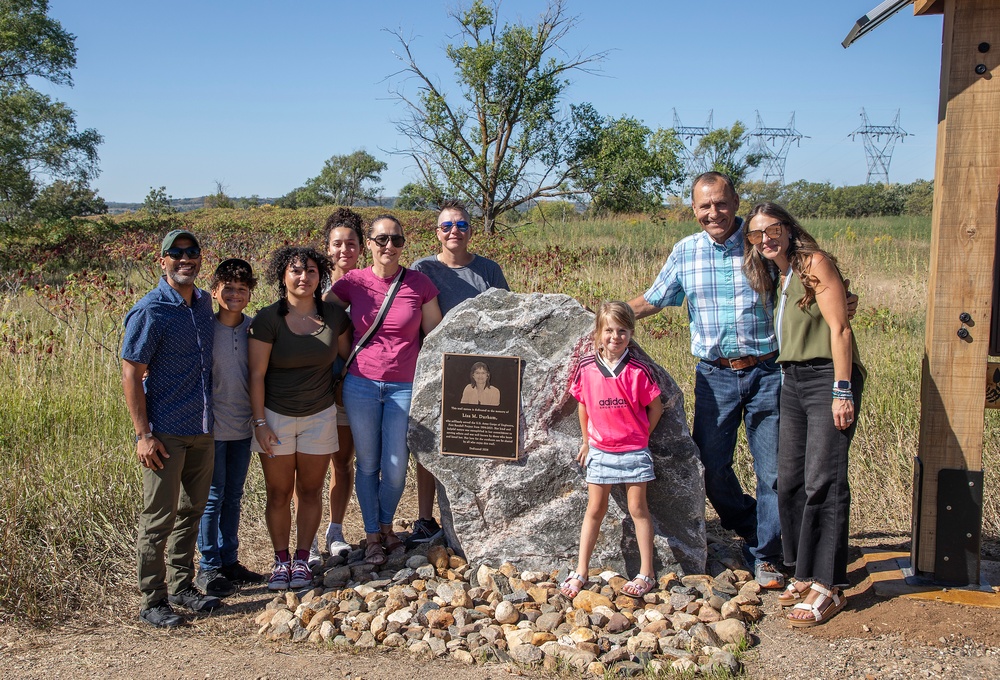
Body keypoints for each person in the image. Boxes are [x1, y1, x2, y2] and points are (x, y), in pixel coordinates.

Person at [628, 171, 787, 589]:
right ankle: (752, 525)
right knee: (712, 469)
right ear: (694, 209)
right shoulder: (686, 252)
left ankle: (767, 554)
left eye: (720, 203)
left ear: (735, 202)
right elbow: (652, 299)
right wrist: (604, 317)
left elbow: (804, 278)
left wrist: (840, 299)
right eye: (704, 206)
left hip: (768, 372)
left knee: (772, 473)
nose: (713, 213)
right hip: (715, 377)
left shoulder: (761, 245)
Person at [742, 203, 865, 626]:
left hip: (826, 378)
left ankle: (829, 586)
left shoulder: (813, 263)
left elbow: (840, 329)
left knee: (823, 481)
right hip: (790, 380)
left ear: (789, 228)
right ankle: (803, 571)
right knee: (790, 479)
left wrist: (842, 390)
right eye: (756, 235)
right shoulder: (779, 275)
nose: (765, 239)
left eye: (772, 229)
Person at [327, 214, 442, 565]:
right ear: (370, 244)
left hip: (403, 386)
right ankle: (374, 534)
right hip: (360, 384)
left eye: (396, 240)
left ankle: (386, 525)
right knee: (368, 463)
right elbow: (320, 319)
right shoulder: (352, 283)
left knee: (394, 465)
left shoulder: (419, 284)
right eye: (381, 240)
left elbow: (436, 335)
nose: (388, 246)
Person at [121, 229, 220, 627]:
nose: (185, 259)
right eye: (175, 253)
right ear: (161, 261)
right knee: (158, 518)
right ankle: (153, 599)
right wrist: (143, 435)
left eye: (192, 252)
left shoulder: (203, 304)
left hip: (202, 427)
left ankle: (182, 586)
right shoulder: (150, 311)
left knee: (192, 510)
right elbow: (131, 374)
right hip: (165, 433)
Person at [249, 246, 351, 591]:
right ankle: (281, 560)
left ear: (319, 275)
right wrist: (260, 423)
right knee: (278, 493)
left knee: (310, 491)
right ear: (283, 277)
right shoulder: (268, 319)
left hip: (320, 416)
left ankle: (303, 559)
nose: (303, 277)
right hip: (275, 418)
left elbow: (350, 359)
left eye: (310, 271)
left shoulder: (334, 317)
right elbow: (256, 375)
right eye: (295, 271)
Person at [408, 199, 509, 545]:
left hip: (483, 369)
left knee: (478, 443)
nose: (455, 231)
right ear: (437, 233)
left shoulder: (489, 270)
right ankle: (424, 518)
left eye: (462, 225)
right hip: (436, 370)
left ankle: (478, 517)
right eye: (447, 226)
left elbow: (504, 315)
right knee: (429, 446)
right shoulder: (421, 269)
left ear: (470, 230)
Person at [561, 302, 663, 599]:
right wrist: (586, 441)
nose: (615, 337)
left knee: (637, 509)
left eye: (622, 331)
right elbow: (583, 406)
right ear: (598, 333)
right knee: (595, 509)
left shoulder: (638, 370)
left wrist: (643, 433)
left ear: (631, 333)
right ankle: (581, 570)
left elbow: (655, 407)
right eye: (609, 330)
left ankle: (647, 572)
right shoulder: (587, 367)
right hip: (601, 450)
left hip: (634, 450)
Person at [194, 259, 265, 597]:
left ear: (250, 293)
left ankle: (229, 561)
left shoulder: (254, 329)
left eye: (241, 289)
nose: (235, 294)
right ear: (215, 291)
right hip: (211, 428)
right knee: (212, 498)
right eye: (228, 288)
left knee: (233, 496)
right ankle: (207, 568)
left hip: (243, 426)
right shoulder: (204, 327)